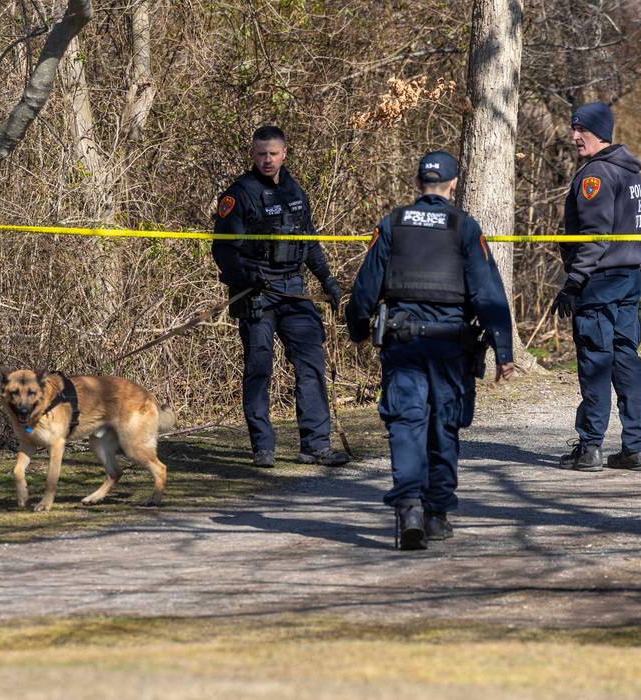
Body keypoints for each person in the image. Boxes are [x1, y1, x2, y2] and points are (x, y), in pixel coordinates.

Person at [346, 151, 515, 550]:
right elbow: (489, 295)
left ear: (417, 182)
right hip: (450, 348)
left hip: (403, 345)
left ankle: (409, 509)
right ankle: (437, 514)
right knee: (444, 426)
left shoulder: (392, 224)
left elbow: (366, 287)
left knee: (407, 423)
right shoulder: (465, 228)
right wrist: (503, 351)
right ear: (454, 184)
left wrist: (356, 328)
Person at [212, 125, 350, 468]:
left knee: (311, 364)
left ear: (284, 153)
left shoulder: (294, 191)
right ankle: (263, 447)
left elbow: (310, 242)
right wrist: (246, 276)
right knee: (259, 367)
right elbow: (223, 251)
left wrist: (327, 280)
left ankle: (315, 445)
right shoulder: (239, 194)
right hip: (255, 292)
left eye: (273, 153)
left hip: (293, 290)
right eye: (261, 154)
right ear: (253, 155)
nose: (267, 160)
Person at [553, 101, 641, 472]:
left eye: (583, 130)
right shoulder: (631, 173)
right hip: (628, 280)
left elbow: (595, 236)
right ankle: (635, 448)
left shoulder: (596, 175)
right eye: (573, 129)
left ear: (601, 133)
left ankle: (591, 447)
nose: (575, 136)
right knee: (627, 362)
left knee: (596, 363)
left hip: (600, 283)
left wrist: (574, 282)